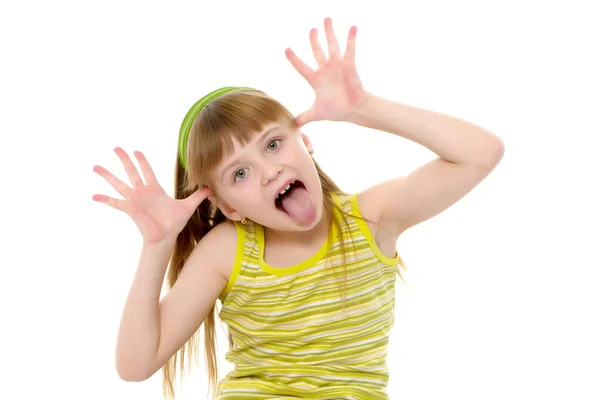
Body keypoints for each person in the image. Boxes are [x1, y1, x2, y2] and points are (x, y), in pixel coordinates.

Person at [92, 17, 504, 400]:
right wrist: (158, 245)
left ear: (304, 140)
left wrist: (365, 109)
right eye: (239, 174)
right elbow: (135, 365)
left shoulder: (371, 217)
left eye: (273, 144)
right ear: (228, 207)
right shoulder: (228, 248)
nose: (270, 171)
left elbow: (481, 154)